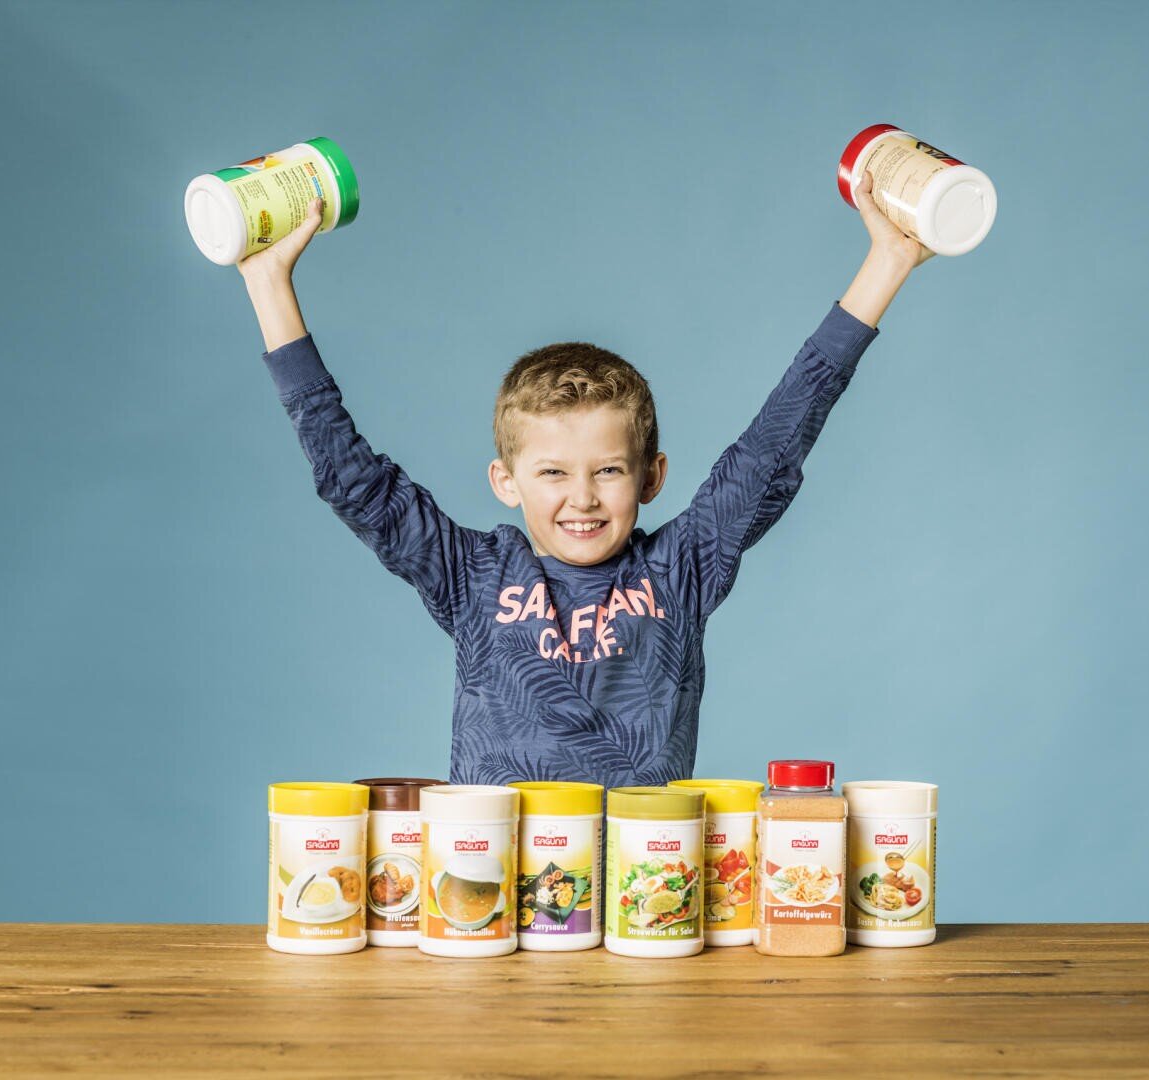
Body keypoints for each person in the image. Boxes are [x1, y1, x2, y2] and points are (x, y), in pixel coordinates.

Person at [240, 170, 930, 786]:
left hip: (647, 898)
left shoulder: (680, 567)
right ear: (505, 481)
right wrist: (269, 283)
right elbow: (353, 481)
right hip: (491, 905)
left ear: (651, 476)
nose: (582, 497)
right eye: (551, 473)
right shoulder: (471, 574)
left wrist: (887, 261)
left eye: (607, 470)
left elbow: (771, 447)